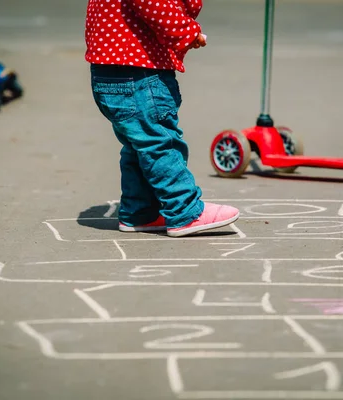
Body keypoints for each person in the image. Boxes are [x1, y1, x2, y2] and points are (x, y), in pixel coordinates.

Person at [85, 0, 240, 238]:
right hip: (137, 72)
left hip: (111, 71)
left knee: (138, 145)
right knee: (160, 143)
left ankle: (140, 212)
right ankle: (185, 211)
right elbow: (153, 2)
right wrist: (187, 31)